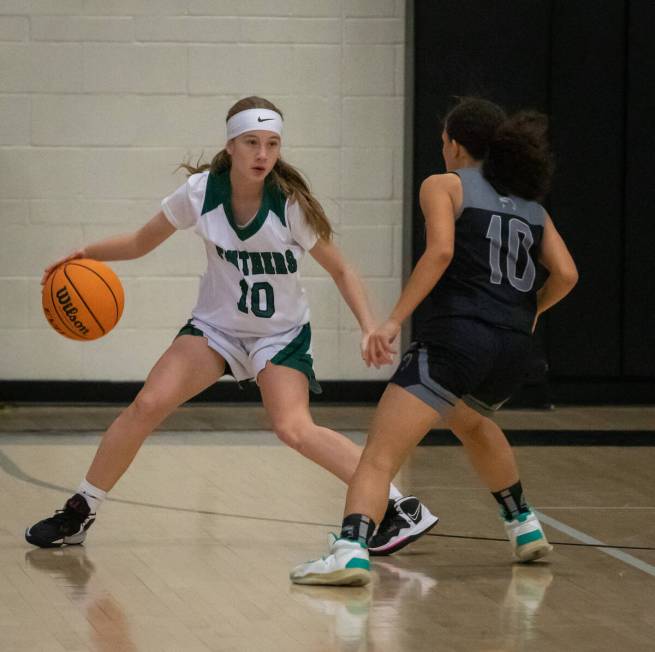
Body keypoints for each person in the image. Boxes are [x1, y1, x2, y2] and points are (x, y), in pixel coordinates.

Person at [25, 96, 438, 551]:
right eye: (252, 143)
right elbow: (142, 242)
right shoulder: (201, 194)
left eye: (272, 144)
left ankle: (399, 505)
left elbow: (341, 268)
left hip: (279, 336)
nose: (262, 154)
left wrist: (368, 326)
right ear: (231, 145)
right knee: (146, 405)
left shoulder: (290, 205)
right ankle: (80, 511)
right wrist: (84, 255)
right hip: (216, 330)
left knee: (294, 429)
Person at [291, 97, 579, 586]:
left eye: (443, 141)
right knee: (472, 422)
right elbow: (568, 274)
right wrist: (526, 314)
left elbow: (441, 251)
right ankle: (523, 523)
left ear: (455, 145)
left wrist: (392, 321)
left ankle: (350, 549)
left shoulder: (443, 185)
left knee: (380, 452)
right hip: (512, 349)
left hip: (458, 338)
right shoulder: (531, 204)